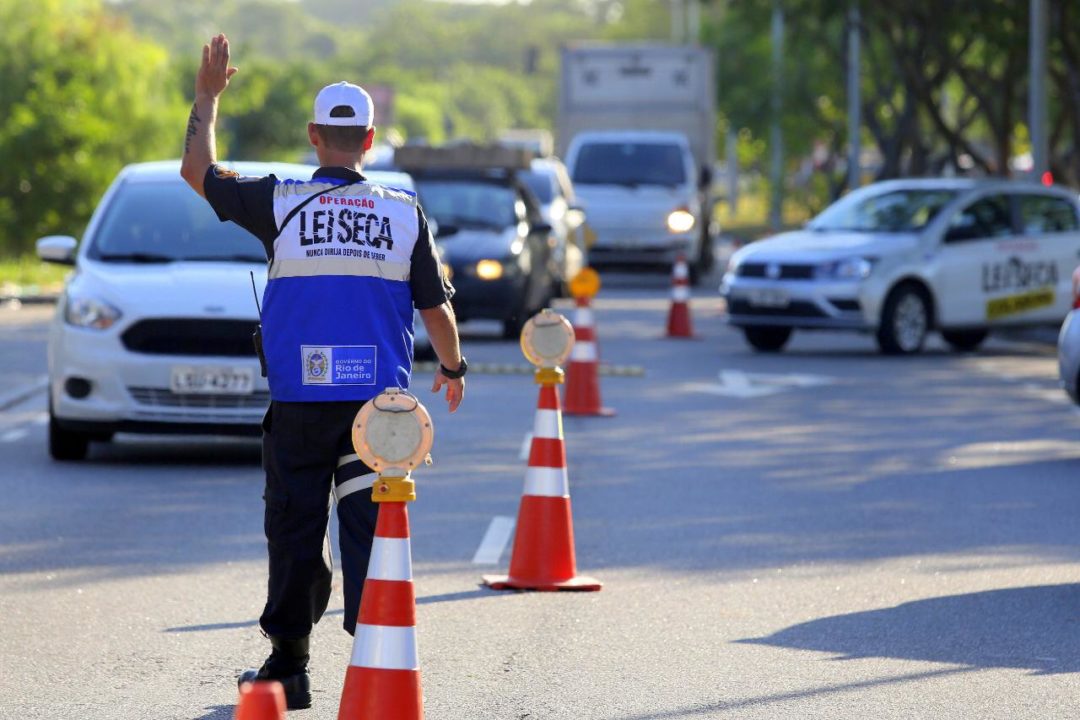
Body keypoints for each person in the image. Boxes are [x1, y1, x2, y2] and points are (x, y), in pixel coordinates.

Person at [180, 34, 467, 710]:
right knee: (373, 528)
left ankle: (290, 665)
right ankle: (376, 659)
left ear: (315, 136)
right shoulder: (402, 211)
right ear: (369, 138)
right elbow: (436, 309)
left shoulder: (280, 201)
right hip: (381, 412)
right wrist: (453, 369)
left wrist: (207, 97)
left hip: (302, 402)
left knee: (293, 526)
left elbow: (197, 172)